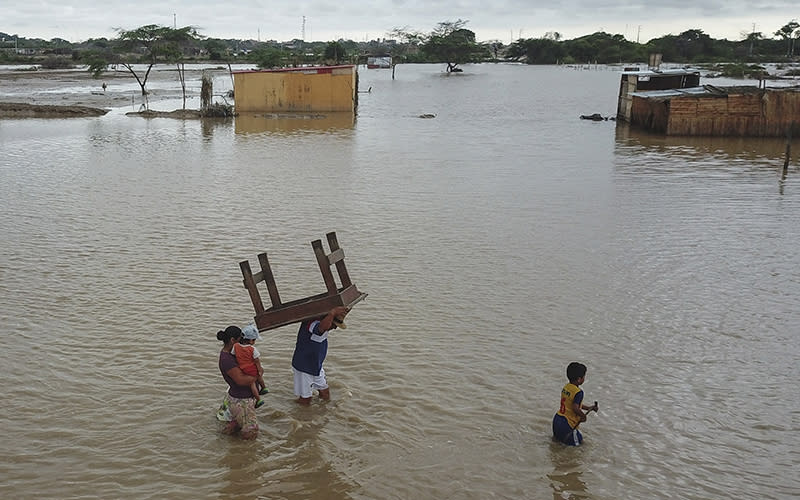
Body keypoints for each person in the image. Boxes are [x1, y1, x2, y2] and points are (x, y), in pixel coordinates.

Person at [291, 306, 349, 405]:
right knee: (305, 400)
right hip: (304, 366)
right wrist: (332, 313)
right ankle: (301, 417)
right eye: (334, 324)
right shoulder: (312, 323)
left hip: (316, 366)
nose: (334, 328)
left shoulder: (325, 324)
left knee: (325, 393)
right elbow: (321, 329)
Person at [217, 325, 259, 439]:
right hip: (242, 400)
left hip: (237, 399)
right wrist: (257, 376)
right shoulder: (227, 360)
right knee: (251, 433)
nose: (243, 341)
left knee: (235, 429)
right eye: (240, 338)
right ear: (232, 340)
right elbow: (241, 381)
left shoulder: (232, 354)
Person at [552, 362, 598, 446]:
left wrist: (589, 408)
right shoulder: (579, 392)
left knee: (558, 444)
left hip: (557, 419)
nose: (584, 378)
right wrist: (583, 417)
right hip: (567, 424)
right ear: (579, 379)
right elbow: (575, 408)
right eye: (584, 376)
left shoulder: (566, 387)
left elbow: (572, 403)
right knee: (580, 446)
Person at [234, 324, 269, 407]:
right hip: (252, 368)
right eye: (254, 340)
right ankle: (263, 390)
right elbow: (257, 360)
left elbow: (233, 354)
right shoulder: (252, 349)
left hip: (243, 369)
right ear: (250, 340)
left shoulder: (236, 346)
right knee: (258, 376)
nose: (254, 342)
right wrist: (259, 369)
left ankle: (259, 399)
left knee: (252, 383)